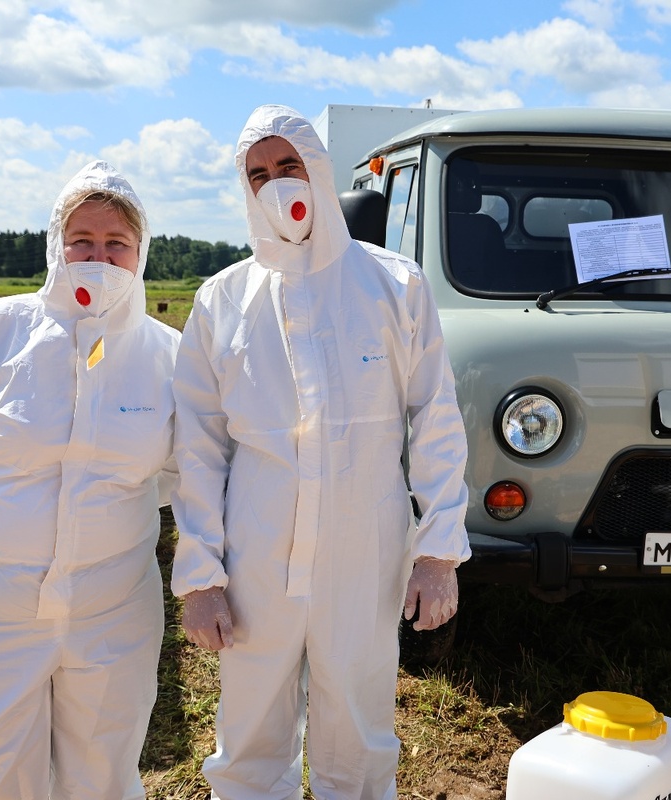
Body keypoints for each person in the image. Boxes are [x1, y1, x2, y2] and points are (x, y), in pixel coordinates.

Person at [170, 104, 471, 799]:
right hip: (256, 553)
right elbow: (199, 449)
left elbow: (435, 419)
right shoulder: (223, 300)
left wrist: (437, 552)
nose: (276, 186)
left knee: (360, 733)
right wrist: (201, 577)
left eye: (289, 167)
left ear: (320, 172)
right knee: (248, 733)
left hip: (362, 553)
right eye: (258, 174)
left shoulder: (395, 287)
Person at [0, 161, 180, 799]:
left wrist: (101, 517)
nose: (97, 258)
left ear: (141, 253)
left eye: (116, 244)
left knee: (102, 771)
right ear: (56, 244)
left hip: (112, 607)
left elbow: (181, 472)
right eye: (82, 240)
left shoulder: (168, 357)